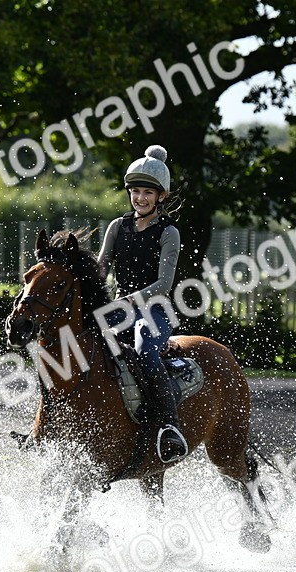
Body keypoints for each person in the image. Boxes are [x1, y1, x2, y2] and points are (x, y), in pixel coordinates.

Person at [96, 144, 188, 463]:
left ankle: (169, 428)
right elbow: (101, 269)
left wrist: (126, 302)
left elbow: (164, 284)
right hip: (119, 310)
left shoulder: (169, 232)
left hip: (154, 310)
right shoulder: (116, 227)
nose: (140, 198)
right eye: (136, 191)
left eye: (148, 193)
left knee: (146, 351)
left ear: (161, 196)